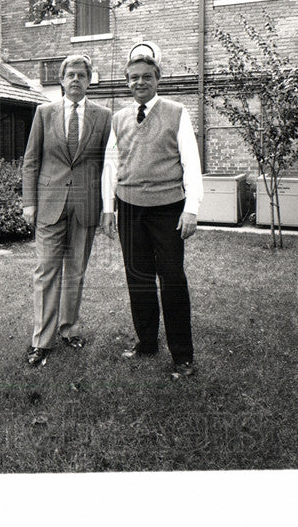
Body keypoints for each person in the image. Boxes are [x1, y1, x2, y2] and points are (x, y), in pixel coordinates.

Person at [100, 42, 204, 379]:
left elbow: (191, 162)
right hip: (130, 209)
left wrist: (191, 208)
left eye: (146, 76)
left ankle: (183, 357)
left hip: (168, 210)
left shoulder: (176, 112)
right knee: (138, 279)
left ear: (158, 79)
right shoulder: (119, 118)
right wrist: (109, 209)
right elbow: (110, 167)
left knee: (172, 280)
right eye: (133, 78)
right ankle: (146, 342)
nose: (140, 82)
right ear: (127, 82)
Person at [22, 54, 112, 367]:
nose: (75, 80)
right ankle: (42, 341)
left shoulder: (103, 116)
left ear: (89, 81)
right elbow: (31, 160)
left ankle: (68, 328)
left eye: (81, 75)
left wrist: (107, 206)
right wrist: (28, 202)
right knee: (46, 270)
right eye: (70, 75)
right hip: (49, 204)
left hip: (86, 206)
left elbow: (107, 165)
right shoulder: (43, 113)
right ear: (61, 80)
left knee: (75, 272)